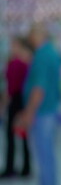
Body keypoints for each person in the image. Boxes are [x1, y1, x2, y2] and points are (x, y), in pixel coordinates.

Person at [15, 24, 61, 185]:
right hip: (50, 110)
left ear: (37, 35)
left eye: (31, 35)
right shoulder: (52, 53)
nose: (29, 39)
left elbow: (38, 89)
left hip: (42, 112)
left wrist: (28, 113)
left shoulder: (42, 55)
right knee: (47, 155)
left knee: (43, 156)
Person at [0, 37, 32, 178]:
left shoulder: (14, 63)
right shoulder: (26, 64)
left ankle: (10, 167)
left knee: (10, 135)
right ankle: (26, 168)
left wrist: (3, 105)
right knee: (23, 134)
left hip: (15, 101)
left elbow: (11, 88)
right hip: (23, 101)